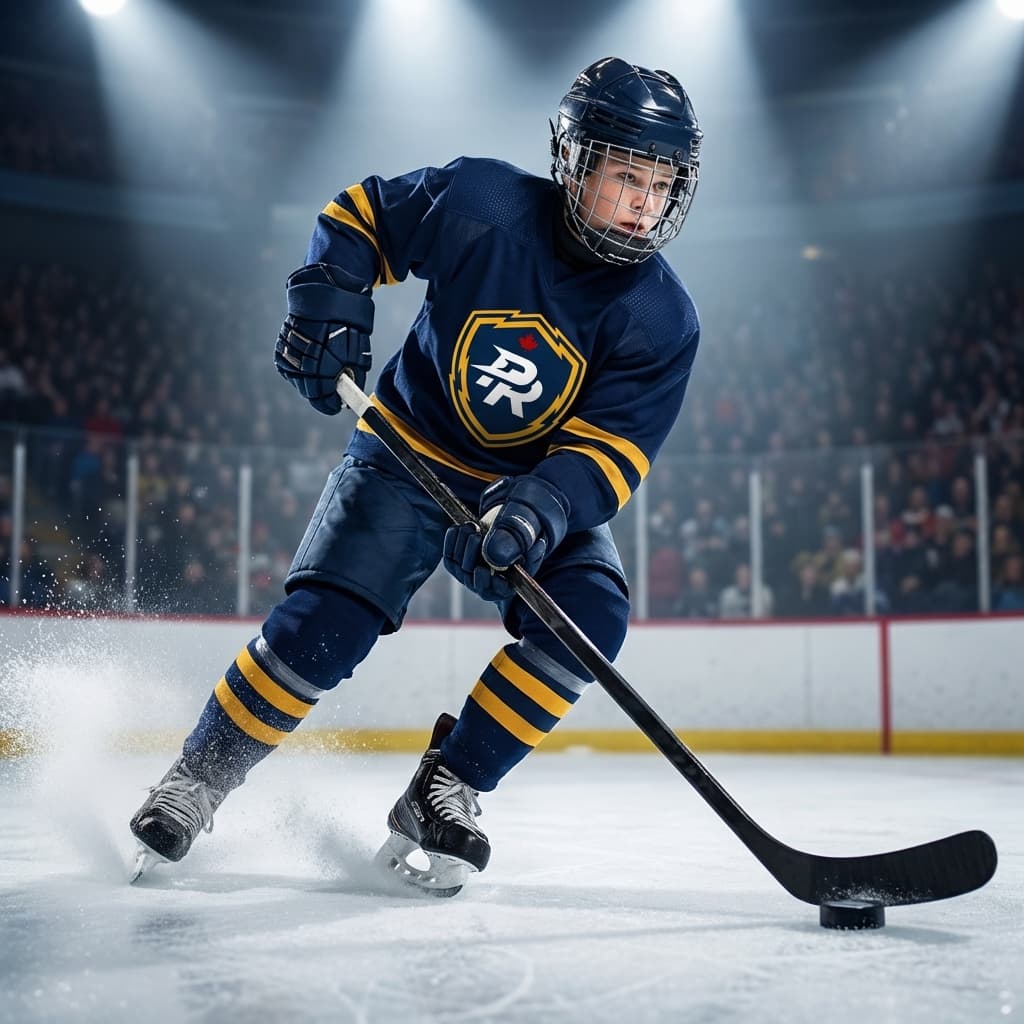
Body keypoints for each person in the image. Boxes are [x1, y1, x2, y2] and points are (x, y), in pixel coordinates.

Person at [129, 57, 703, 895]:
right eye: (627, 177)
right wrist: (329, 297)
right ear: (574, 163)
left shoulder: (662, 316)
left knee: (591, 615)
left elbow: (613, 449)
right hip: (406, 452)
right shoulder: (484, 205)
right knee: (326, 623)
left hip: (525, 485)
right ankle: (197, 778)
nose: (647, 203)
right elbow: (361, 218)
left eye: (662, 184)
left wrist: (545, 503)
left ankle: (448, 786)